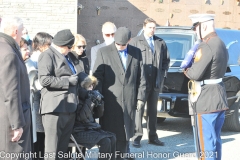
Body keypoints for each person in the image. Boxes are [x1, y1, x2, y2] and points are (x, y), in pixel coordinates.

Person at [93, 27, 146, 159]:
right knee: (108, 137)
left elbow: (142, 78)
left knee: (124, 136)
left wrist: (140, 98)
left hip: (129, 102)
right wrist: (98, 97)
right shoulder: (103, 52)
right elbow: (97, 77)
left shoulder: (136, 52)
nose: (120, 47)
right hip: (110, 102)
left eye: (124, 44)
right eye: (118, 44)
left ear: (129, 40)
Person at [184, 14, 229, 160]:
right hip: (218, 96)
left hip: (206, 101)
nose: (195, 32)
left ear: (203, 26)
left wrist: (186, 68)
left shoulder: (207, 44)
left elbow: (195, 74)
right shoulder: (220, 42)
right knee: (216, 141)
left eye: (196, 28)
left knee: (206, 146)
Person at [38, 29, 80, 159]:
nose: (70, 50)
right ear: (62, 45)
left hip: (69, 108)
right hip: (54, 109)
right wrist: (67, 81)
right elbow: (44, 79)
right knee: (52, 150)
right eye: (69, 47)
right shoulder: (47, 55)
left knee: (62, 149)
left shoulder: (68, 57)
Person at [129, 18, 170, 147]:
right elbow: (132, 62)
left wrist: (162, 75)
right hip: (141, 83)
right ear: (144, 27)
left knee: (153, 111)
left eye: (154, 28)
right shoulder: (136, 42)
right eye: (150, 27)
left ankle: (153, 137)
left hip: (155, 82)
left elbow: (166, 61)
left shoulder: (160, 42)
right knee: (139, 110)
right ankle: (136, 137)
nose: (152, 30)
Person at [0, 16, 32, 158]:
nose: (23, 35)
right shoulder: (9, 53)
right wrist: (16, 125)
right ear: (15, 31)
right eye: (22, 31)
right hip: (11, 121)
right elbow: (11, 91)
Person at [72, 72, 116, 160]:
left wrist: (99, 103)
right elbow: (81, 117)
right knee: (105, 141)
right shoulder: (76, 98)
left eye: (93, 85)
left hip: (90, 129)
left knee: (113, 137)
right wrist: (90, 101)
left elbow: (98, 115)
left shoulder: (89, 97)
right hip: (79, 131)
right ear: (83, 87)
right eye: (89, 86)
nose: (92, 88)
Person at [30, 32, 53, 160]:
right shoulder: (36, 59)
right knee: (38, 137)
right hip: (37, 102)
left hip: (43, 102)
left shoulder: (44, 56)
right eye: (48, 44)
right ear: (42, 45)